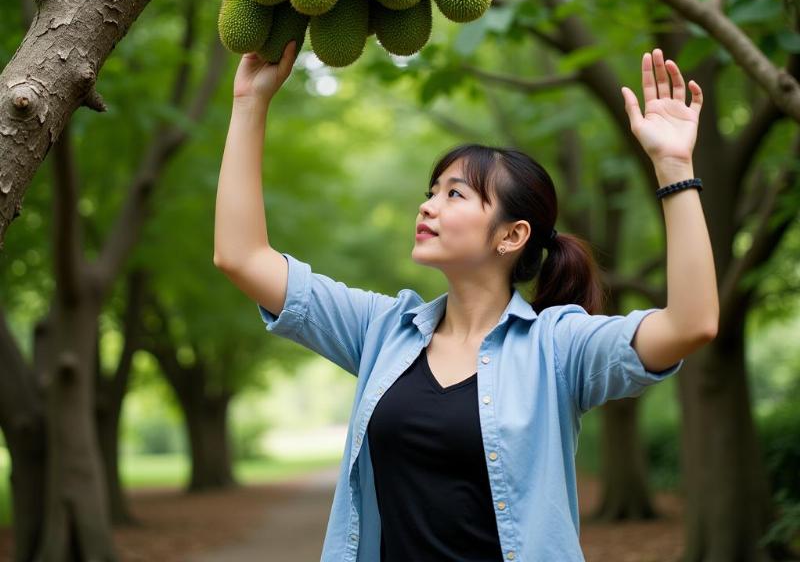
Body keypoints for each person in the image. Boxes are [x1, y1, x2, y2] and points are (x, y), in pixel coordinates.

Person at [214, 43, 719, 562]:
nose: (427, 205)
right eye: (432, 190)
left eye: (454, 194)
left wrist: (673, 165)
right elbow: (242, 257)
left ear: (511, 235)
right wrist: (249, 104)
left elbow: (691, 324)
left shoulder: (558, 348)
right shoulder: (381, 331)